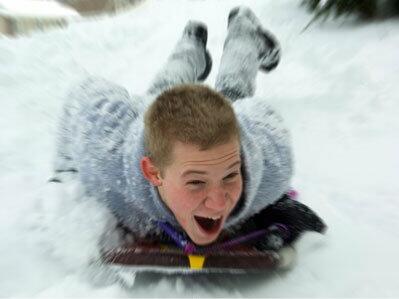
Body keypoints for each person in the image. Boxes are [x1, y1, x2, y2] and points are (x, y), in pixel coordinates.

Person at [52, 6, 326, 252]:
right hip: (143, 118)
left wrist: (274, 201)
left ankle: (245, 34)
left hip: (230, 126)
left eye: (230, 176)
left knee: (234, 94)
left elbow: (264, 117)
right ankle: (191, 48)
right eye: (196, 182)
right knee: (160, 91)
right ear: (152, 172)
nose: (218, 203)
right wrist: (65, 178)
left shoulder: (271, 162)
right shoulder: (107, 151)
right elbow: (81, 96)